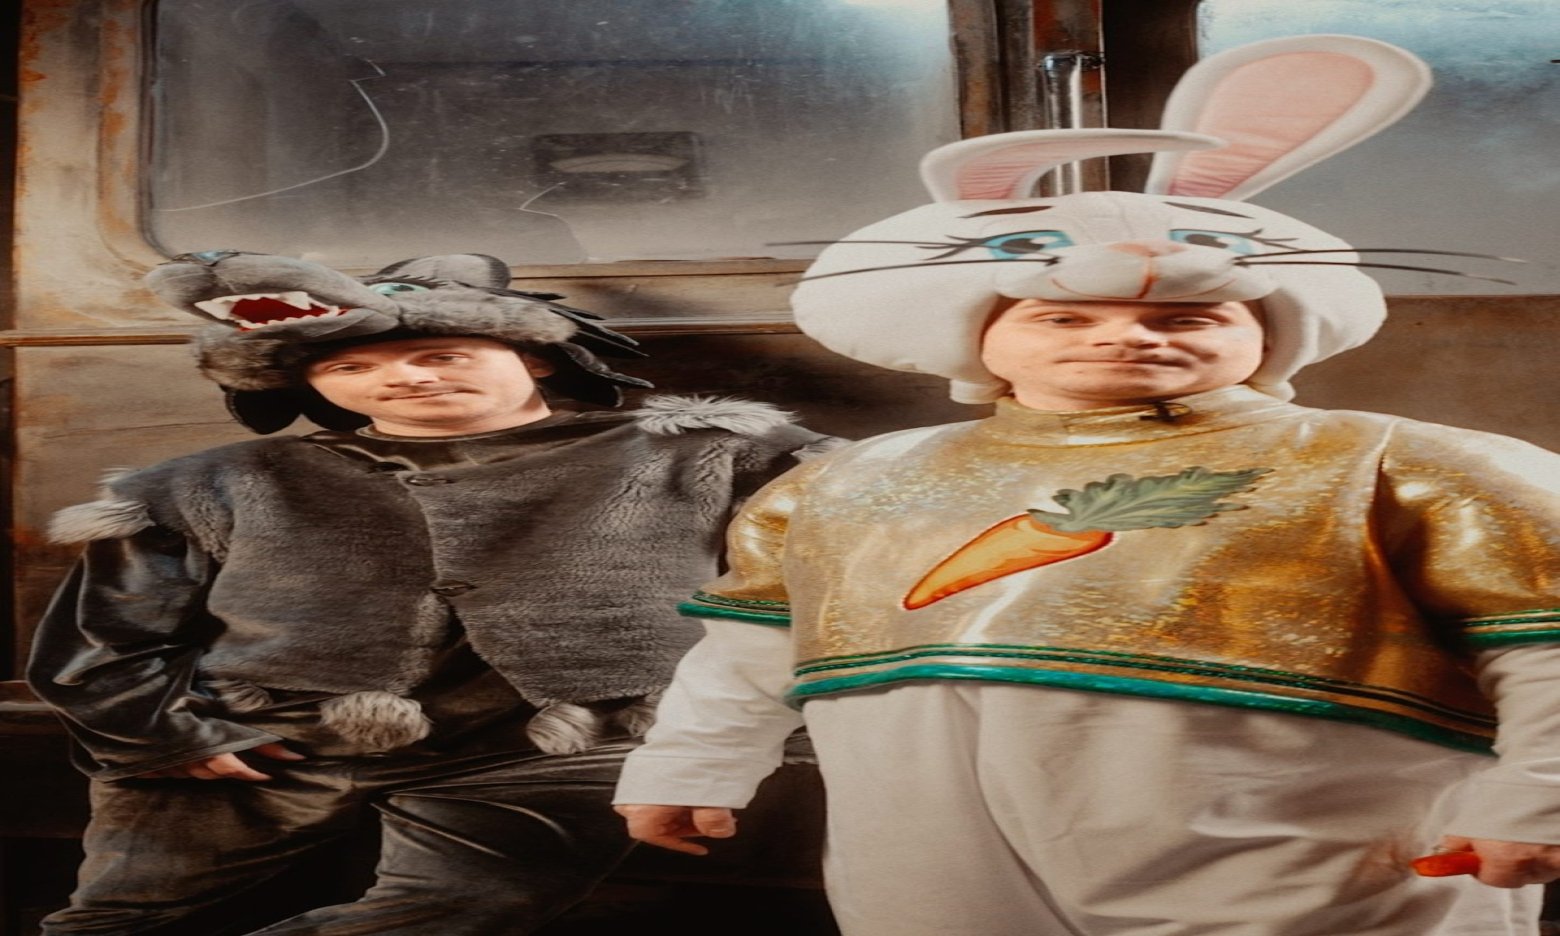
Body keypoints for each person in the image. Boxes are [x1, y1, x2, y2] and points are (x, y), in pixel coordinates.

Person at [612, 121, 1560, 934]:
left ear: (1271, 337)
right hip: (920, 841)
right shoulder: (850, 479)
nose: (1129, 334)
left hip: (1303, 844)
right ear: (979, 338)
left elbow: (1546, 646)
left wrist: (1537, 797)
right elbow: (753, 648)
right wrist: (694, 762)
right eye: (1062, 318)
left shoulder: (1405, 462)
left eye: (1189, 316)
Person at [27, 249, 833, 936]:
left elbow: (847, 544)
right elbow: (106, 635)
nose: (405, 378)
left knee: (454, 913)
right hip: (269, 737)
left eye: (443, 355)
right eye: (350, 367)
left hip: (554, 749)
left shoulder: (704, 454)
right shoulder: (219, 482)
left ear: (535, 357)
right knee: (121, 919)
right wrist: (166, 735)